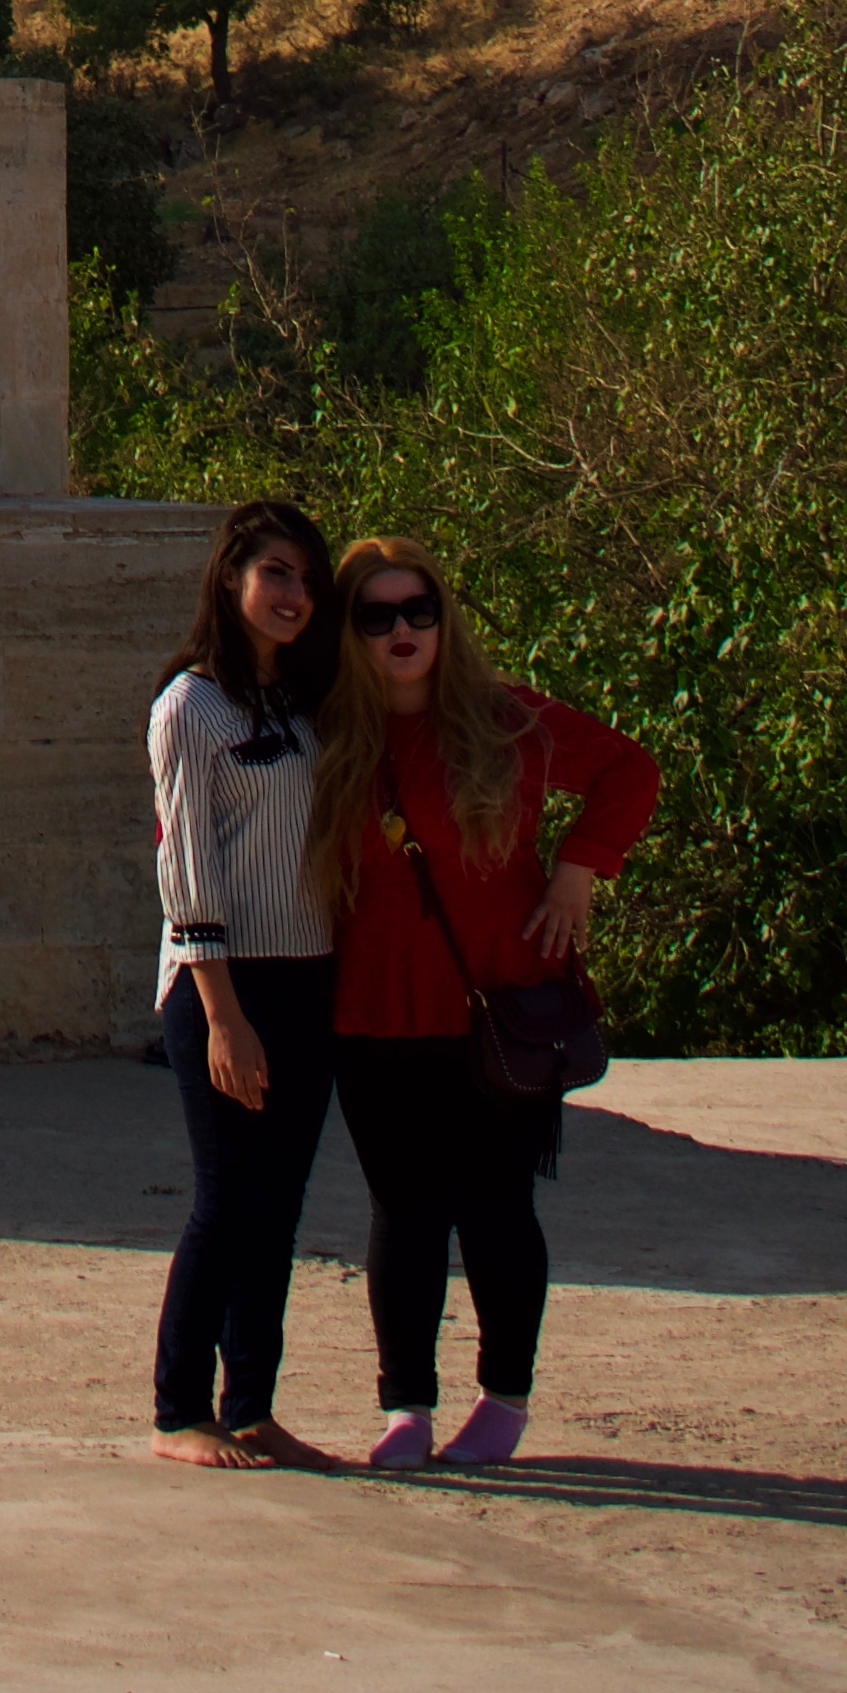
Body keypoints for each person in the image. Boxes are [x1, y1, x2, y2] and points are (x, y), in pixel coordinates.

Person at [313, 535, 660, 1473]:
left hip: (497, 1012)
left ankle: (504, 1400)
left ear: (444, 619)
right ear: (350, 628)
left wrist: (580, 872)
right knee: (404, 1212)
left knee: (498, 1210)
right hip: (373, 1013)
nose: (401, 630)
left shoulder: (506, 721)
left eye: (418, 610)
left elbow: (631, 771)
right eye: (376, 614)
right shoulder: (327, 731)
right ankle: (406, 1410)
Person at [144, 494, 346, 1468]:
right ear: (229, 578)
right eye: (274, 572)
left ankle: (251, 1401)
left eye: (306, 578)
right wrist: (222, 1018)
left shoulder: (305, 703)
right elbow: (183, 870)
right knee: (225, 1197)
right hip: (218, 984)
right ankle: (178, 1410)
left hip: (307, 974)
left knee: (279, 1203)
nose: (292, 594)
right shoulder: (189, 705)